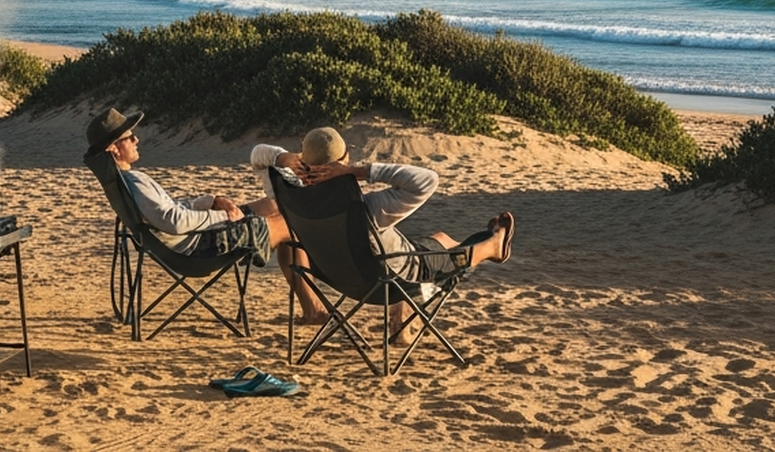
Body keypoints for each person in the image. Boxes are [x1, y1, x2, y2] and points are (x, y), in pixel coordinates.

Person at [248, 127, 515, 329]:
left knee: (435, 239)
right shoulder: (368, 208)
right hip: (393, 281)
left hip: (342, 279)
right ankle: (494, 245)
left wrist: (284, 159)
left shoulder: (290, 196)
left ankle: (402, 329)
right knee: (442, 248)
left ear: (301, 158)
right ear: (345, 160)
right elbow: (427, 180)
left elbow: (258, 155)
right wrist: (359, 171)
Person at [87, 107, 290, 266]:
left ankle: (310, 307)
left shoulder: (125, 181)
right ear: (113, 148)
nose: (136, 139)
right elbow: (174, 221)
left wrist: (211, 202)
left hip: (189, 242)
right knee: (291, 221)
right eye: (129, 137)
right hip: (199, 249)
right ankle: (313, 308)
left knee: (274, 206)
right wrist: (222, 216)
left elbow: (171, 210)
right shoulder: (135, 183)